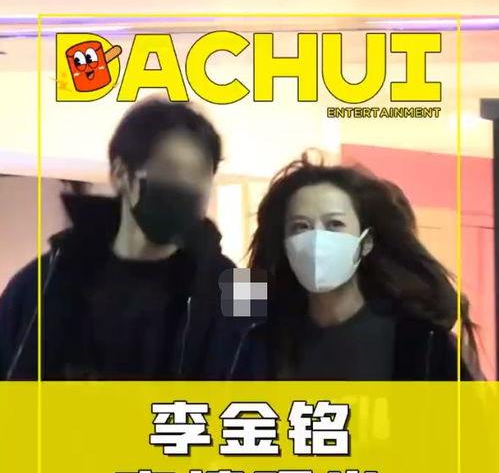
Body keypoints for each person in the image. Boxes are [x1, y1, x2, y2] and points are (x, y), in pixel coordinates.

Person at [0, 98, 242, 380]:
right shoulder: (43, 281)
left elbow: (264, 362)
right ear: (121, 174)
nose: (186, 185)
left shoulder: (240, 283)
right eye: (170, 169)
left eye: (199, 175)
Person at [229, 153, 481, 381]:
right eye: (300, 226)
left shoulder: (420, 343)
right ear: (285, 244)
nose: (317, 239)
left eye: (335, 224)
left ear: (366, 242)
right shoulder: (261, 346)